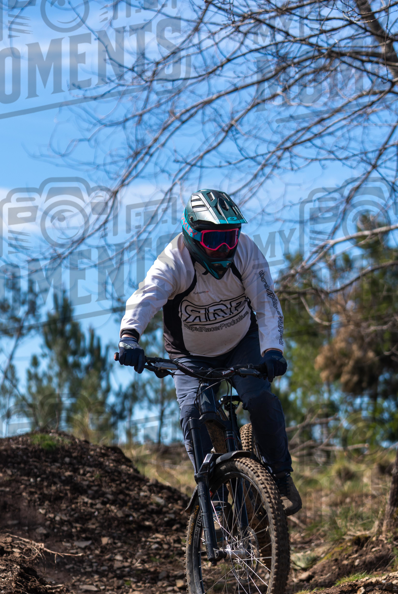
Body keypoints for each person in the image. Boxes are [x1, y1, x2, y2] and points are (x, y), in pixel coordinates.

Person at [117, 188, 301, 515]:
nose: (224, 248)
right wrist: (130, 337)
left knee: (259, 397)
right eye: (213, 240)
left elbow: (267, 303)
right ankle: (213, 501)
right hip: (190, 355)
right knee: (192, 413)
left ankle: (281, 476)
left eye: (230, 238)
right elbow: (145, 298)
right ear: (192, 234)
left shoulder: (247, 251)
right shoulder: (174, 261)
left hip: (242, 344)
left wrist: (273, 350)